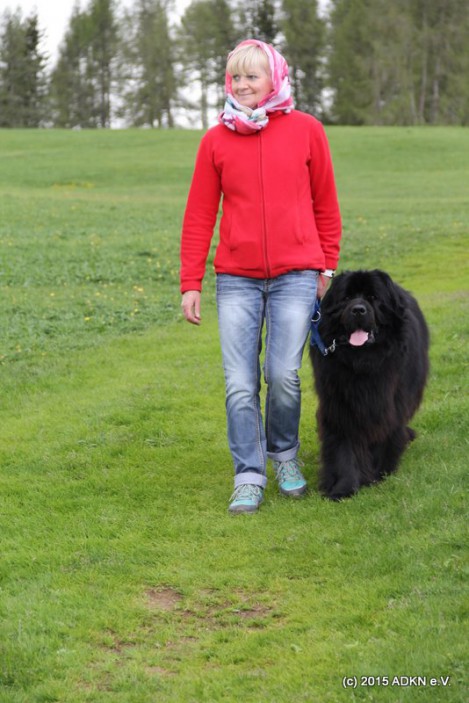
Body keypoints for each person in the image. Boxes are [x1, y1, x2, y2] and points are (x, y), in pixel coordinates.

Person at [180, 39, 341, 514]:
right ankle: (248, 475)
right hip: (236, 279)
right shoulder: (215, 140)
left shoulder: (308, 130)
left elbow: (326, 203)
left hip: (297, 274)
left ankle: (285, 456)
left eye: (252, 75)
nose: (243, 84)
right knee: (239, 383)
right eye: (236, 77)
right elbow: (199, 215)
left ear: (275, 78)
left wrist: (325, 265)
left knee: (283, 375)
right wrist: (191, 282)